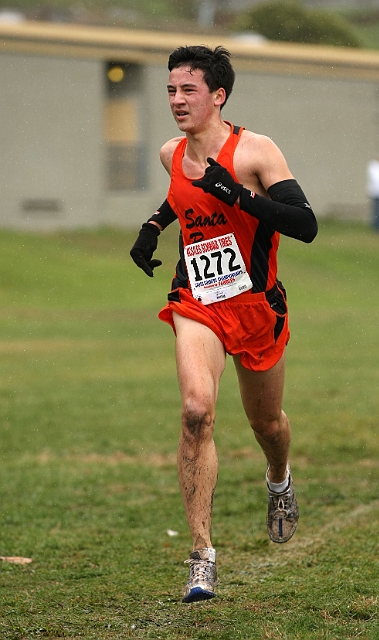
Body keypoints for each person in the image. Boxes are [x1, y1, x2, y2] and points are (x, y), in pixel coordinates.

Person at [130, 45, 318, 603]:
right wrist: (151, 225)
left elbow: (304, 224)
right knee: (195, 413)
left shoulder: (256, 152)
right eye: (170, 90)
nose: (176, 101)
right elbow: (180, 197)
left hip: (256, 307)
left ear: (218, 95)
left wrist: (237, 194)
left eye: (188, 90)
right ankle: (201, 556)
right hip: (199, 302)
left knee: (267, 425)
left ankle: (278, 480)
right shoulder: (172, 153)